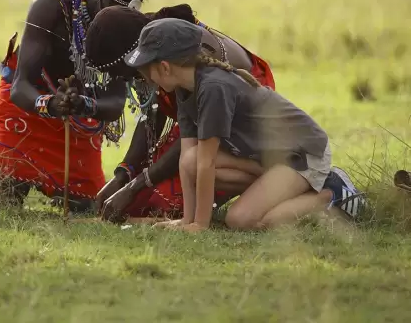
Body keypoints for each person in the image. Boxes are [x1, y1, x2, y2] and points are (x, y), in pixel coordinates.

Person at [126, 18, 353, 231]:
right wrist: (187, 220)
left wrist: (200, 226)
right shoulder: (184, 89)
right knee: (189, 161)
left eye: (147, 70)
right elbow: (188, 160)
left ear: (165, 67)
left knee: (241, 220)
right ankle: (275, 190)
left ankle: (331, 193)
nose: (146, 78)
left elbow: (208, 162)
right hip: (266, 158)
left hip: (302, 156)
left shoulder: (214, 87)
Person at [0, 0, 171, 212]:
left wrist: (82, 104)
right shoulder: (51, 3)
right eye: (110, 7)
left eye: (124, 11)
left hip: (77, 117)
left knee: (86, 205)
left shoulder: (123, 26)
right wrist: (50, 104)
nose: (115, 16)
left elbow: (115, 103)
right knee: (3, 200)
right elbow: (20, 87)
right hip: (26, 108)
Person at [85, 4, 275, 222]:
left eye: (119, 71)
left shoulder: (180, 59)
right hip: (202, 121)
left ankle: (274, 178)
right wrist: (123, 175)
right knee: (137, 203)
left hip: (238, 120)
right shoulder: (152, 48)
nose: (122, 79)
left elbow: (199, 135)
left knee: (162, 202)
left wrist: (134, 186)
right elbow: (154, 116)